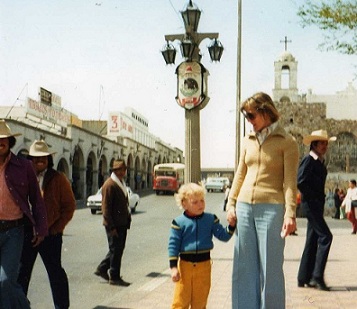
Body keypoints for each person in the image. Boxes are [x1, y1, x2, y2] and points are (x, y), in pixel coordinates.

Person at [226, 92, 299, 309]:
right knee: (243, 268)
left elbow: (289, 183)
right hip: (244, 208)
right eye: (246, 116)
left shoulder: (288, 142)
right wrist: (231, 204)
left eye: (251, 115)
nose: (249, 121)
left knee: (271, 270)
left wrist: (290, 213)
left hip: (272, 210)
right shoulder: (247, 141)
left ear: (265, 111)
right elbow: (240, 174)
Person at [18, 140, 76, 309]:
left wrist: (55, 229)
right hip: (28, 235)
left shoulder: (58, 179)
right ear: (30, 160)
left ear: (49, 159)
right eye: (36, 158)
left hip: (50, 236)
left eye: (43, 157)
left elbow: (69, 206)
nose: (40, 161)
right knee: (22, 275)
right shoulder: (24, 178)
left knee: (55, 273)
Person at [0, 120, 47, 309]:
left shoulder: (24, 166)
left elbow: (36, 200)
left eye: (4, 139)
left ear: (10, 141)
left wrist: (41, 229)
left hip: (14, 232)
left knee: (4, 281)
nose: (0, 142)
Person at [168, 183, 236, 309]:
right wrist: (173, 268)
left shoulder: (211, 219)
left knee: (200, 302)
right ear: (184, 204)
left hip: (204, 267)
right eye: (195, 202)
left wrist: (231, 226)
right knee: (180, 301)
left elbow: (224, 236)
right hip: (185, 267)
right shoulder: (178, 223)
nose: (200, 205)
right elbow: (173, 246)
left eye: (202, 201)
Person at [297, 129, 335, 291]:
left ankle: (304, 277)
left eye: (326, 143)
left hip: (316, 204)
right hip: (311, 204)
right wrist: (314, 197)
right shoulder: (309, 160)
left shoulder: (319, 161)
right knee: (326, 237)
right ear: (314, 144)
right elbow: (301, 181)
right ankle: (317, 276)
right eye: (322, 143)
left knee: (312, 239)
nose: (325, 146)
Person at [95, 159, 131, 286]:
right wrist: (111, 226)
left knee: (116, 249)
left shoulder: (120, 182)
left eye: (124, 170)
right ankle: (114, 277)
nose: (122, 172)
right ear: (114, 171)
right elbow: (106, 208)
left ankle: (102, 268)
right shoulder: (110, 185)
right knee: (116, 250)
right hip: (114, 224)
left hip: (121, 223)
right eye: (119, 170)